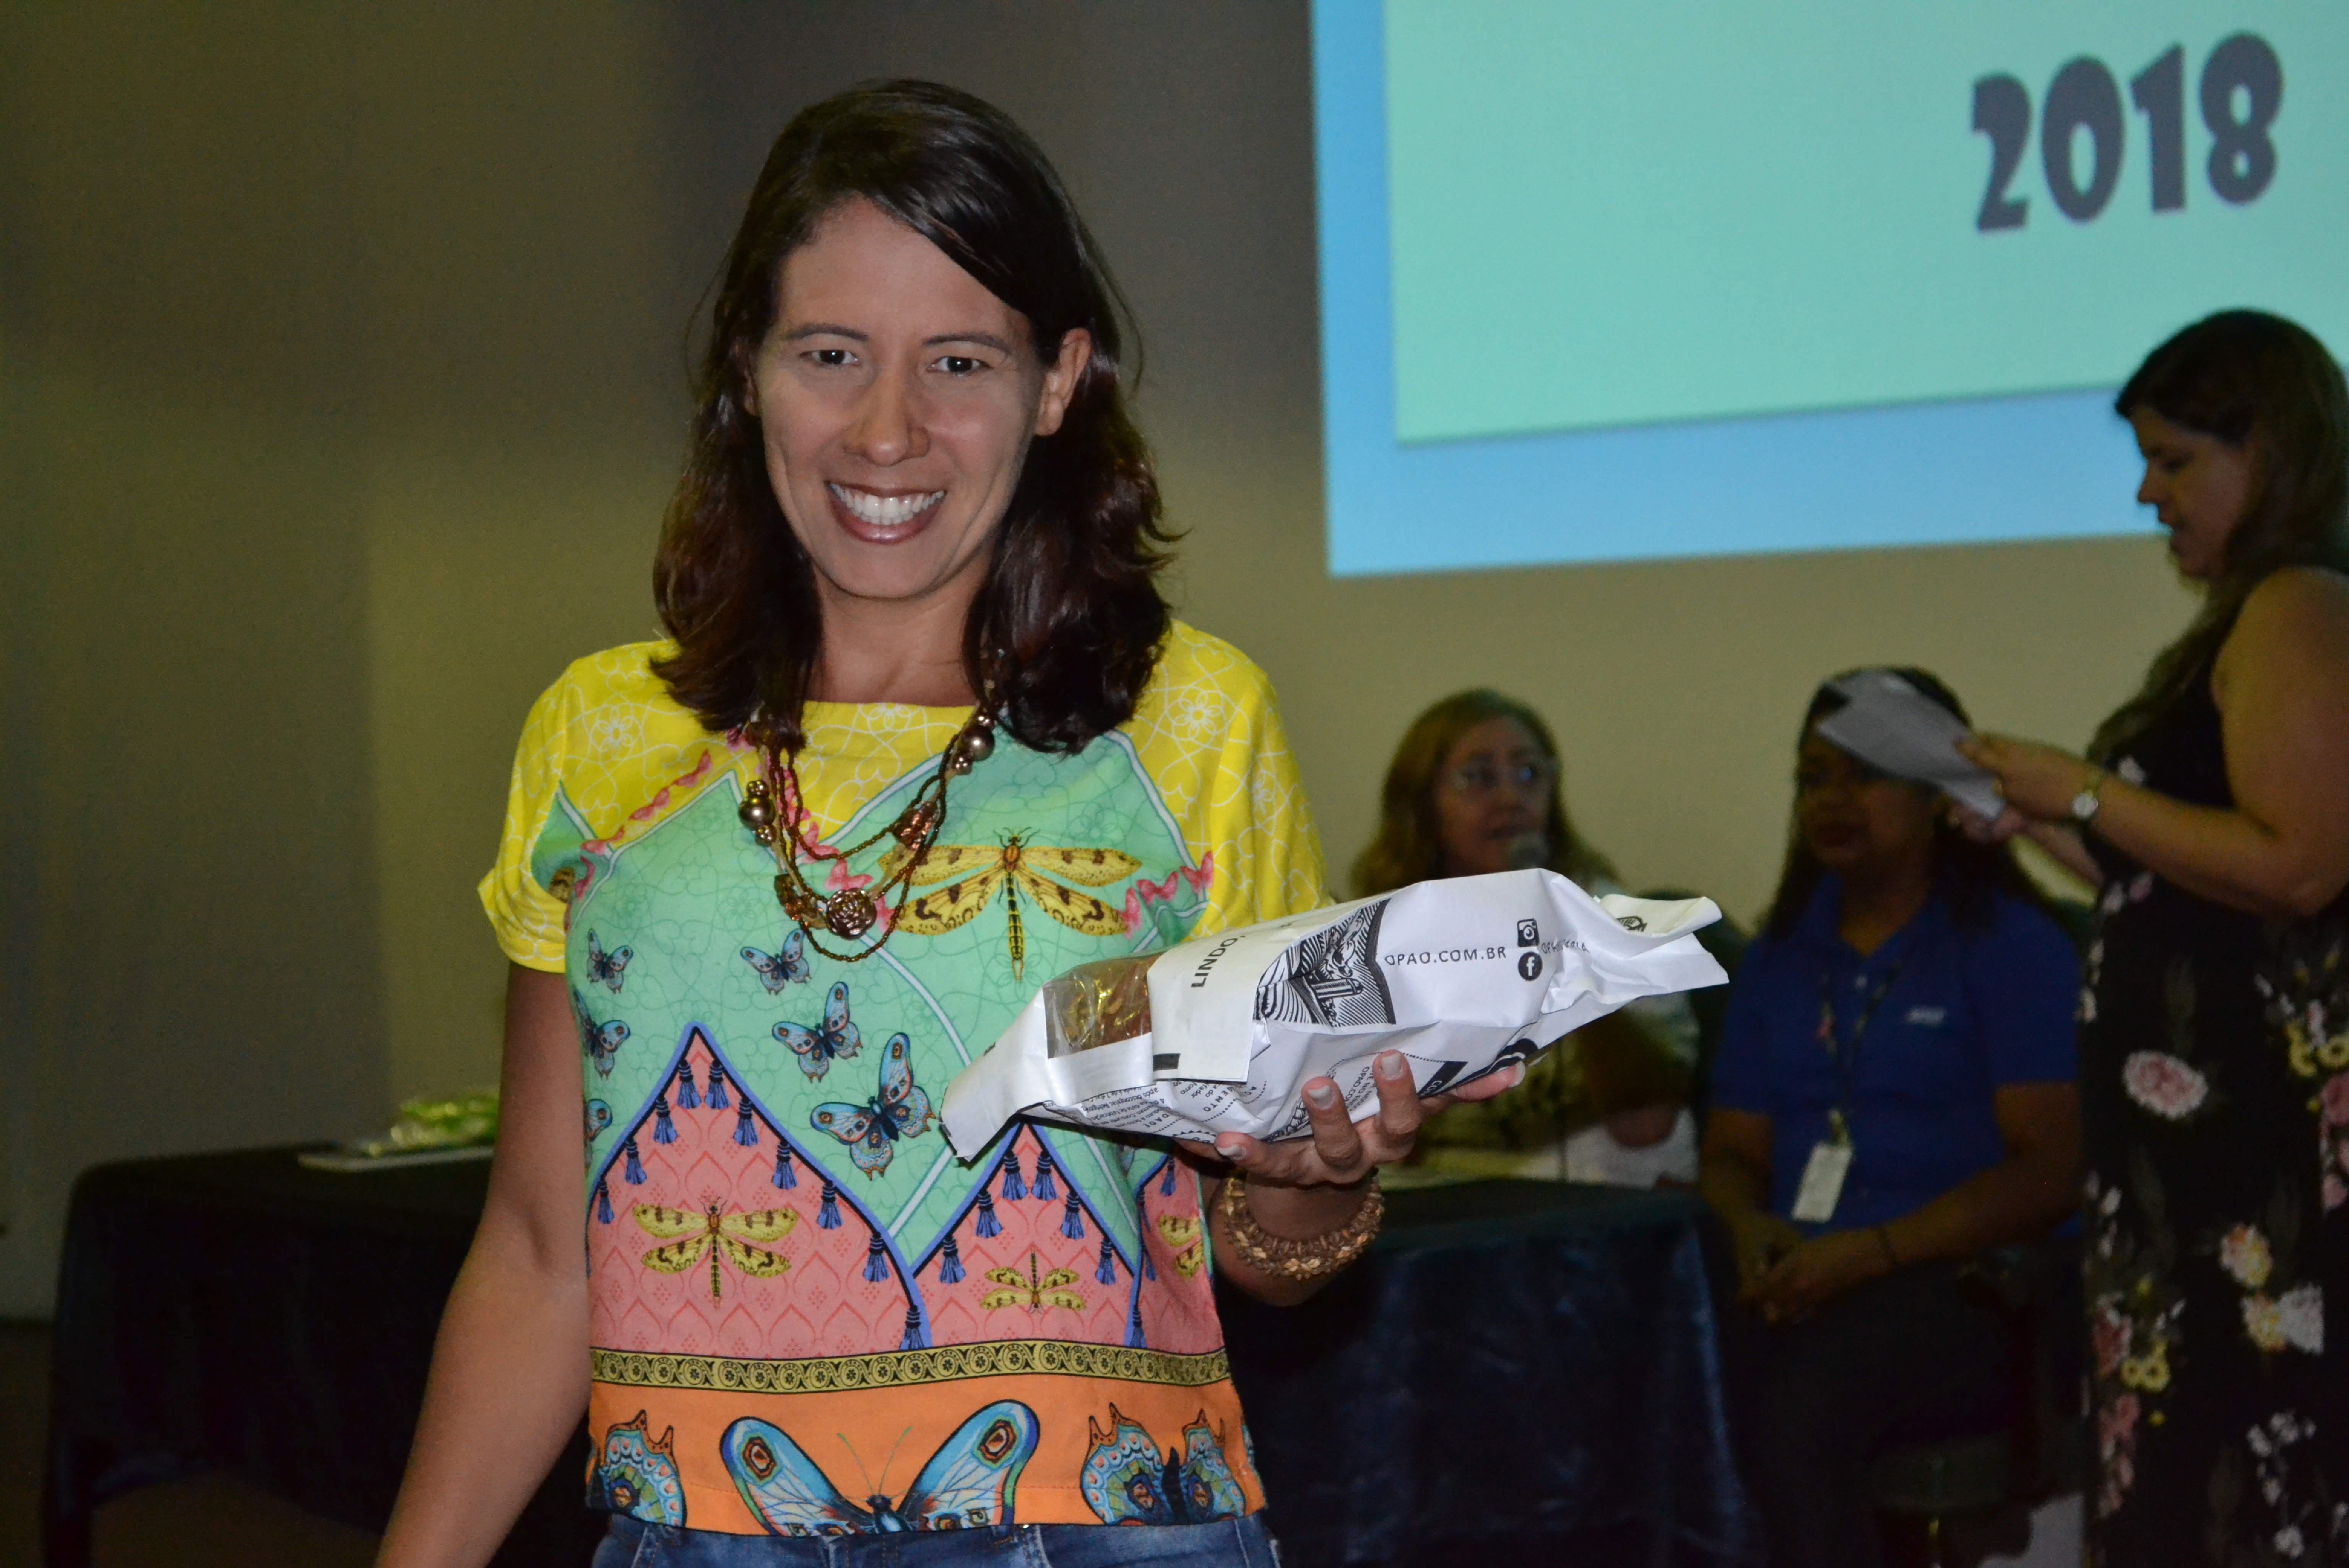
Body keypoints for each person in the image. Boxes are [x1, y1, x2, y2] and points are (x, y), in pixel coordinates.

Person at [374, 81, 1518, 1568]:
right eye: (830, 353)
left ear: (1057, 382)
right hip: (703, 1532)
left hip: (1099, 1527)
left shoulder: (1187, 724)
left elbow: (1264, 1258)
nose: (886, 430)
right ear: (748, 369)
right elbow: (541, 1254)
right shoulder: (601, 738)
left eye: (958, 362)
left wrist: (1321, 1177)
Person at [1958, 310, 2349, 1562]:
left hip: (2254, 1175)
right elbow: (2171, 881)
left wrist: (2079, 787)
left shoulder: (2298, 603)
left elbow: (2299, 864)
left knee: (2253, 1489)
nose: (2147, 493)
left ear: (2270, 451)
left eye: (2175, 461)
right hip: (2185, 1180)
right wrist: (2034, 816)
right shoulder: (2241, 614)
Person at [1699, 669, 2081, 1568]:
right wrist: (1749, 1224)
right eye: (1813, 777)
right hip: (1804, 1272)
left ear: (1941, 793)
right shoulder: (1780, 955)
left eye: (1865, 773)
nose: (1833, 799)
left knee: (1799, 1404)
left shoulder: (2013, 945)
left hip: (1970, 1288)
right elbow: (1730, 1152)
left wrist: (1871, 1253)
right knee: (1667, 1363)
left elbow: (2051, 1170)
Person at [1356, 689, 1701, 1186]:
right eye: (1479, 777)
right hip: (1440, 1209)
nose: (1510, 798)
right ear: (1423, 802)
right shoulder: (1386, 936)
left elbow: (1646, 1126)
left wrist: (1567, 950)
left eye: (1529, 774)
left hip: (1597, 1204)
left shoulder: (1614, 922)